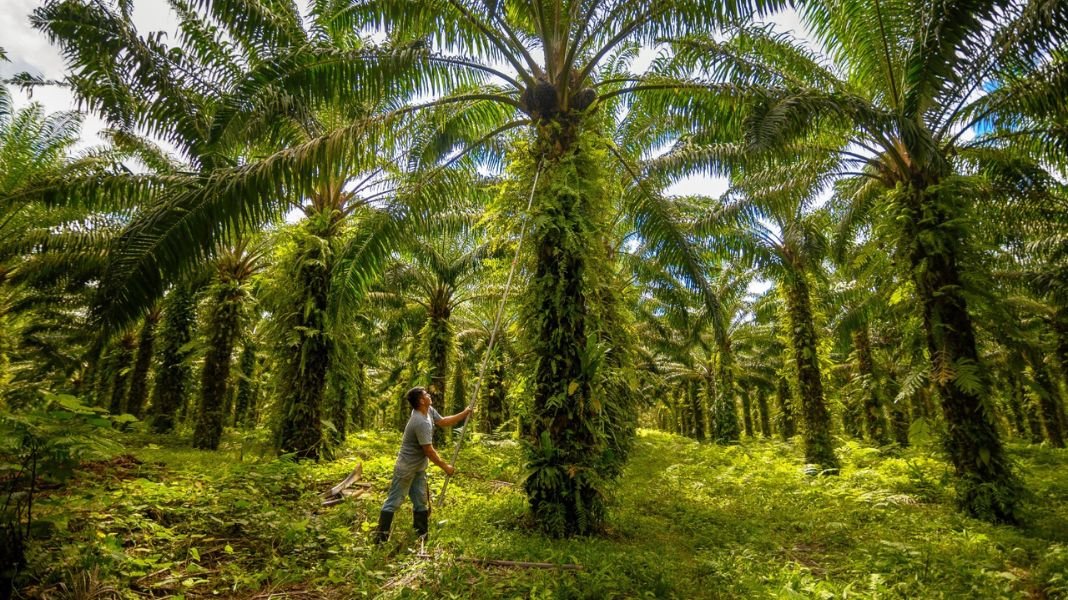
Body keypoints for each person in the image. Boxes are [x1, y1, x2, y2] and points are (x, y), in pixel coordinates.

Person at [374, 386, 473, 544]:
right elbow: (429, 450)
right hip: (406, 468)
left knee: (420, 501)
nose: (429, 395)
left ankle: (421, 536)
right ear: (421, 400)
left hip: (419, 468)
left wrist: (465, 413)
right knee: (394, 500)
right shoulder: (420, 422)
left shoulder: (428, 411)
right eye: (426, 394)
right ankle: (380, 538)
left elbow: (442, 421)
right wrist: (445, 466)